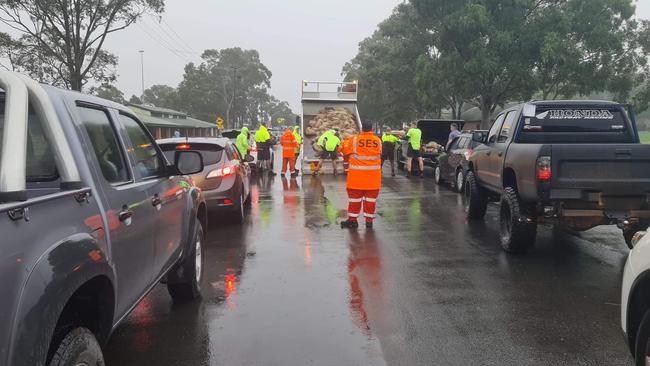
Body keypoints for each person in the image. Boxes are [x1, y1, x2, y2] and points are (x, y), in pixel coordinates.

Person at [340, 122, 382, 229]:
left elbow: (343, 151)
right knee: (370, 201)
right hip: (373, 179)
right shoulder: (378, 141)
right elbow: (379, 154)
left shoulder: (353, 140)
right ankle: (369, 222)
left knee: (354, 201)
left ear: (362, 129)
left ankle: (353, 222)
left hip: (356, 178)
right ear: (372, 129)